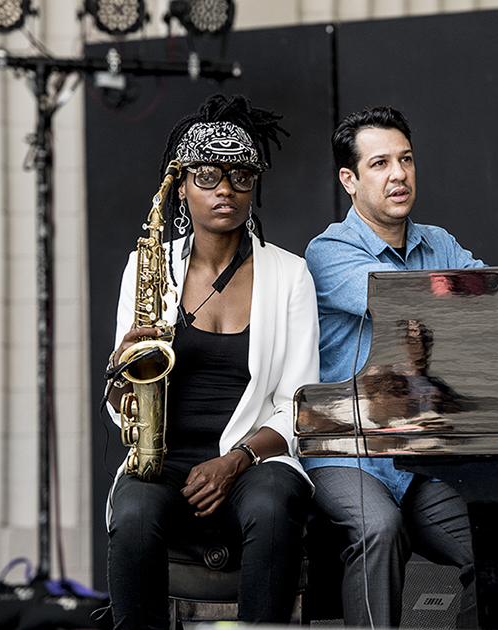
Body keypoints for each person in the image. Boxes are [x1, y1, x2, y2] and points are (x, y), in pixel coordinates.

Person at [104, 94, 320, 629]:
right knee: (132, 515)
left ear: (255, 186)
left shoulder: (290, 275)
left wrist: (235, 462)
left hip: (252, 459)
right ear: (181, 186)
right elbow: (121, 398)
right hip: (162, 456)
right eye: (206, 175)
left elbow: (297, 405)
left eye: (240, 176)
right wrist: (120, 370)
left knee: (274, 507)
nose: (225, 188)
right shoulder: (146, 265)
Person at [303, 106, 485, 628]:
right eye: (379, 163)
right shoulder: (328, 252)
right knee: (378, 529)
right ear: (350, 180)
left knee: (497, 536)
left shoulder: (440, 242)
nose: (398, 174)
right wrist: (472, 298)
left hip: (418, 456)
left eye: (405, 159)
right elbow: (405, 303)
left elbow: (489, 300)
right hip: (346, 450)